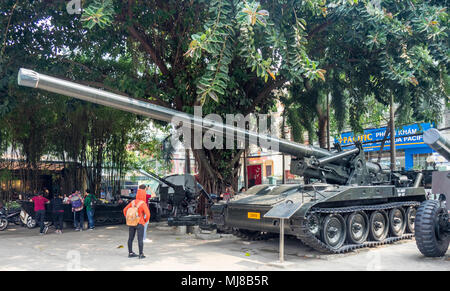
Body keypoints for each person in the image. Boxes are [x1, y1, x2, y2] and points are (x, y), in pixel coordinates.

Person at [123, 188, 150, 259]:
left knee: (130, 238)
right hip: (140, 223)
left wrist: (128, 218)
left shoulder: (132, 202)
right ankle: (141, 254)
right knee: (140, 239)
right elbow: (148, 214)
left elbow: (125, 210)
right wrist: (144, 220)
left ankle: (130, 253)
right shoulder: (143, 203)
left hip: (131, 222)